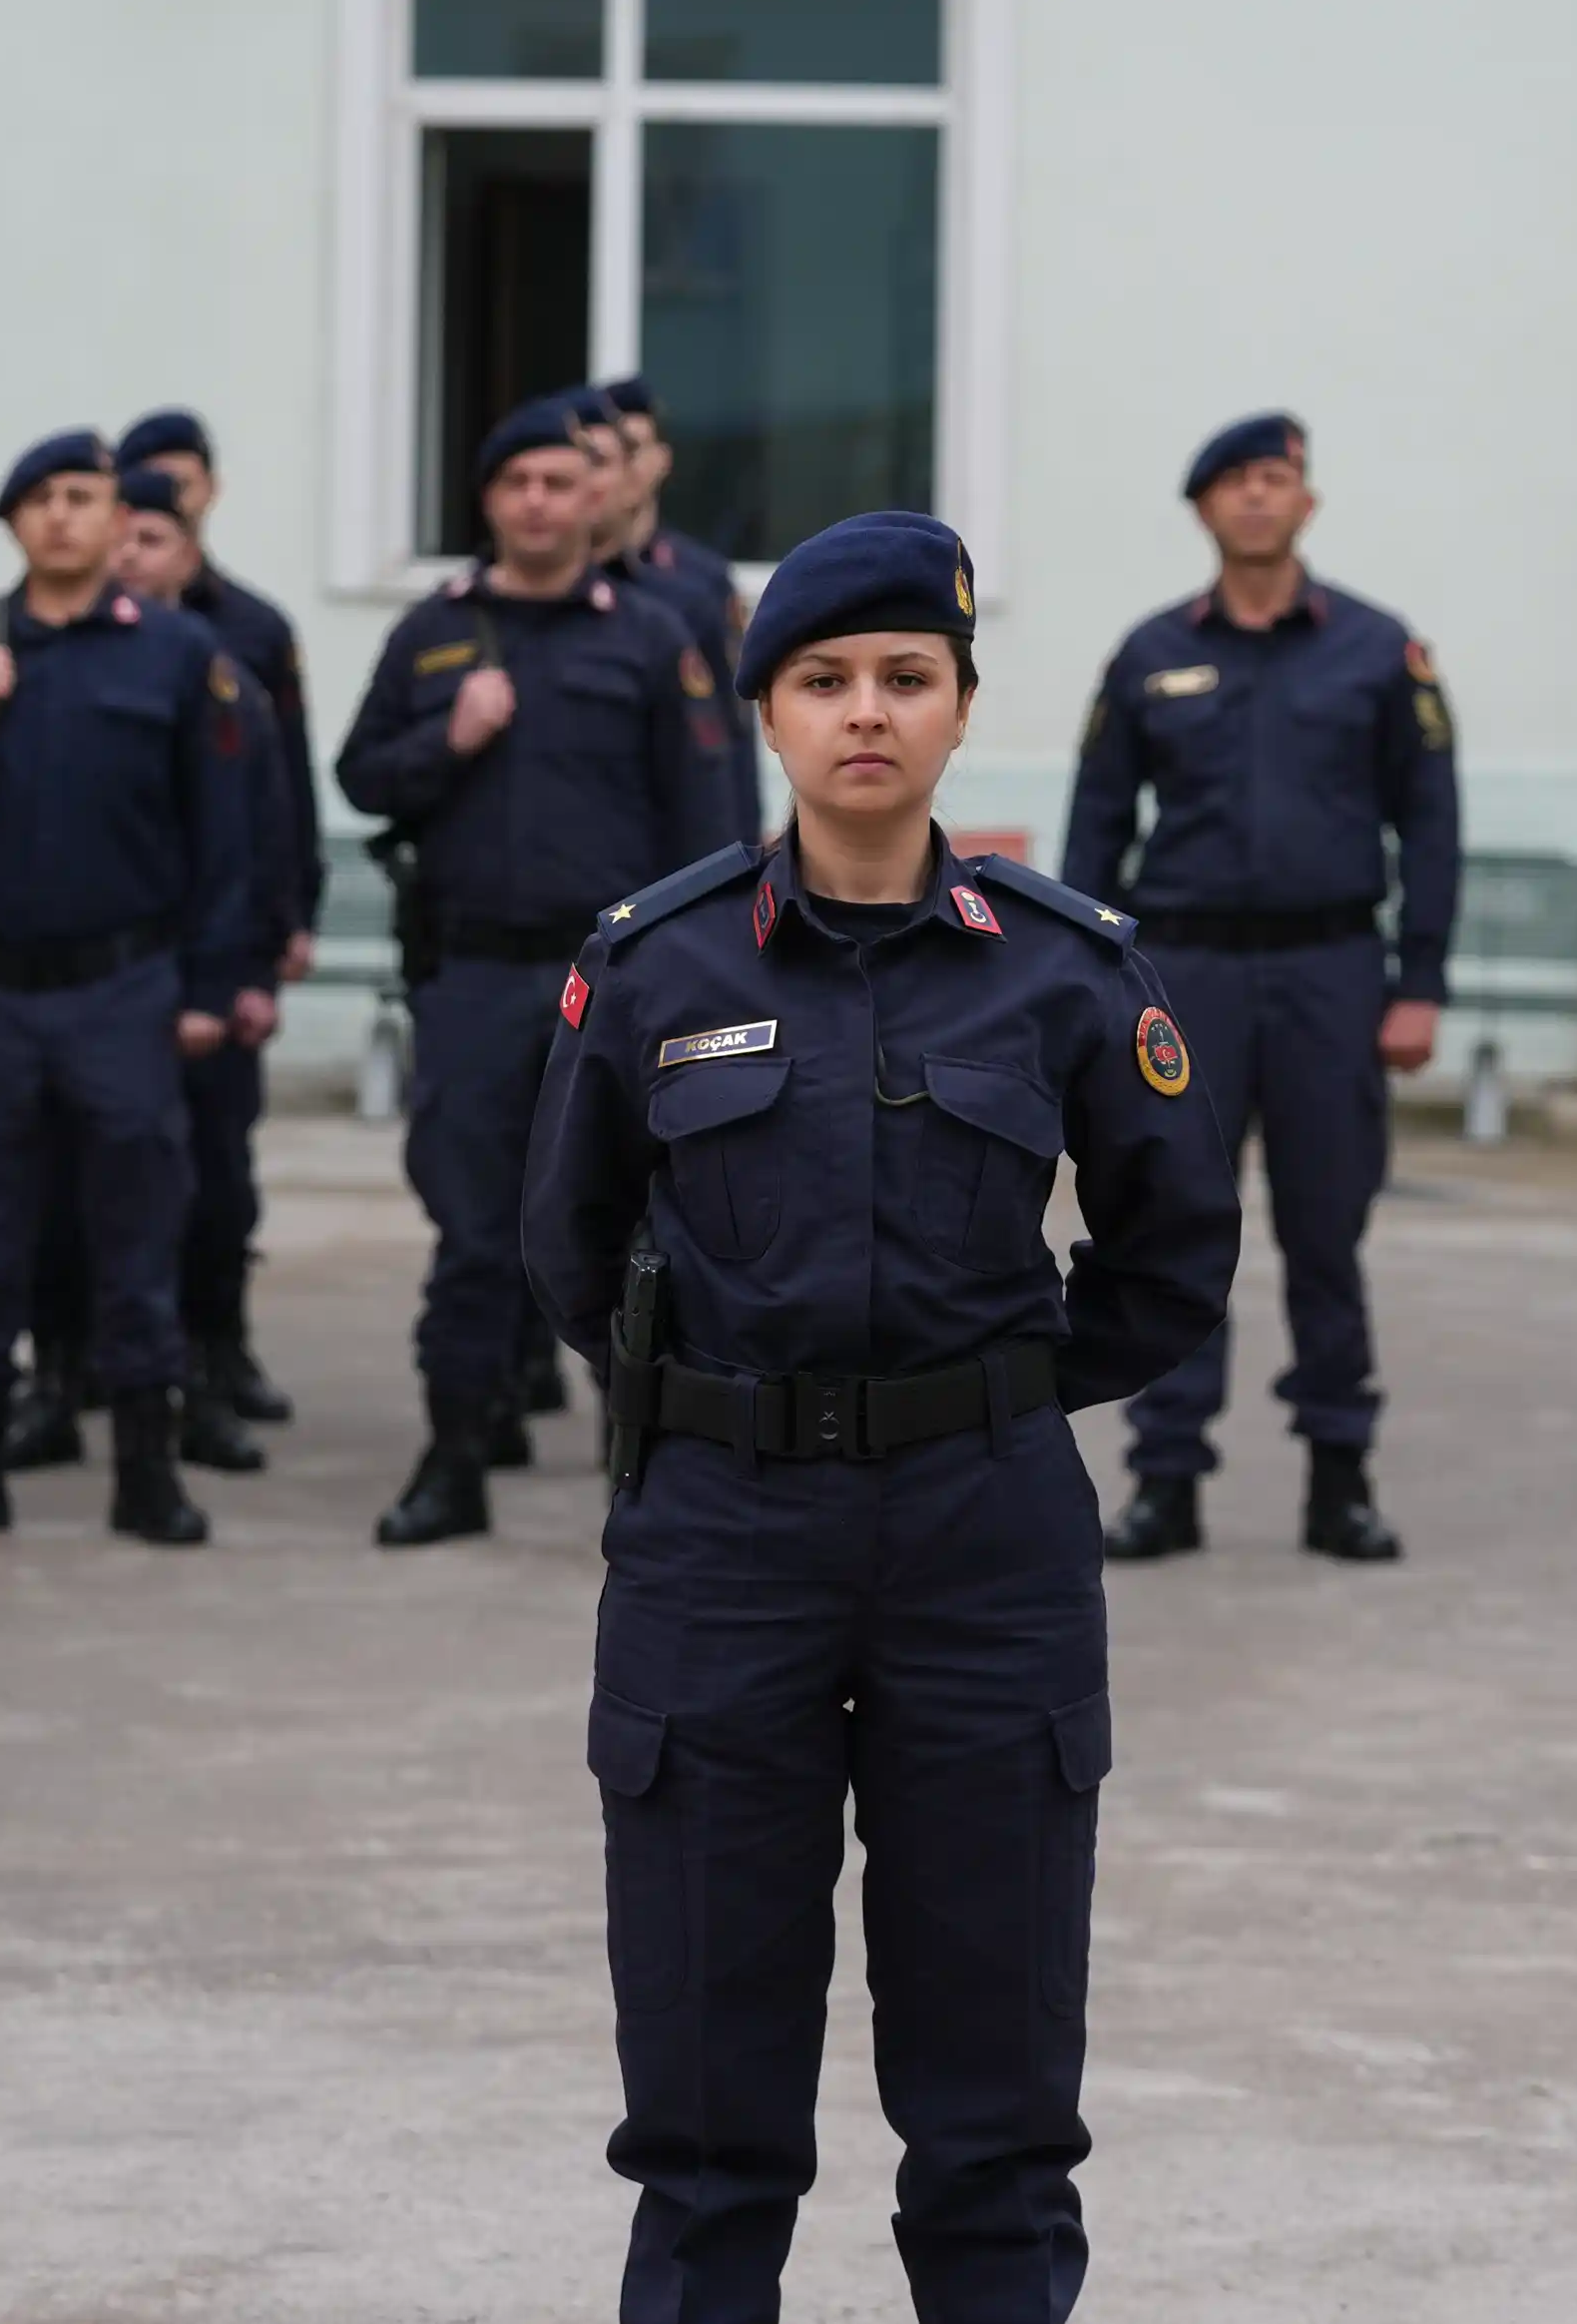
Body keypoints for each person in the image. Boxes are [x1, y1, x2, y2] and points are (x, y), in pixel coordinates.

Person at [524, 510, 1241, 2324]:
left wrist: (987, 1395)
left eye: (905, 680)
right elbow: (562, 1243)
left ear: (958, 708)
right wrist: (723, 1402)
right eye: (825, 679)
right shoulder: (659, 962)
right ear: (766, 712)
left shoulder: (1062, 964)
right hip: (720, 1540)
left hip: (980, 1542)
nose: (867, 713)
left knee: (996, 2113)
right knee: (701, 2116)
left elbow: (1169, 1251)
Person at [1059, 411, 1458, 1566]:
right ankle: (1165, 1478)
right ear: (1203, 510)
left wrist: (1418, 981)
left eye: (1274, 479)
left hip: (1333, 968)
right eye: (1234, 483)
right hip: (1183, 976)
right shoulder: (1146, 656)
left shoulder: (1381, 652)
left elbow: (1429, 824)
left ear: (1307, 503)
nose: (1254, 499)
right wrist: (1084, 978)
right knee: (1176, 1224)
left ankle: (1341, 1476)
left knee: (1326, 1229)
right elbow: (1097, 825)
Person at [336, 395, 731, 1549]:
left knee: (636, 1233)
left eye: (564, 483)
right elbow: (364, 775)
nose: (544, 502)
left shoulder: (653, 636)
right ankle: (454, 1460)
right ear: (490, 499)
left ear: (593, 497)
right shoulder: (435, 634)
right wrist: (445, 739)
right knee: (472, 1232)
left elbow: (705, 823)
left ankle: (643, 1474)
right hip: (476, 978)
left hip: (616, 986)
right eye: (521, 484)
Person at [0, 430, 273, 1548]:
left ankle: (146, 1467)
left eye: (84, 498)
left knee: (139, 1226)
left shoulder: (178, 651)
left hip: (124, 988)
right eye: (41, 499)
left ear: (117, 519)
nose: (62, 517)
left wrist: (210, 984)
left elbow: (219, 837)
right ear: (12, 522)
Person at [0, 466, 285, 1480]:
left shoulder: (220, 655)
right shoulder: (29, 650)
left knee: (199, 1198)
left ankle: (196, 1383)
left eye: (151, 538)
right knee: (63, 1204)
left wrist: (245, 968)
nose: (130, 556)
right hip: (94, 985)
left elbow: (259, 829)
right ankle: (60, 1378)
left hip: (188, 978)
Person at [108, 406, 317, 1427]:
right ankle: (83, 1365)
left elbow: (281, 804)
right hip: (118, 952)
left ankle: (216, 1352)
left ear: (208, 498)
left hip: (223, 938)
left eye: (178, 485)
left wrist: (286, 924)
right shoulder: (70, 636)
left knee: (219, 1173)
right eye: (142, 486)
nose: (160, 502)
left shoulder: (253, 630)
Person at [594, 376, 759, 839]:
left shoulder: (699, 583)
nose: (620, 465)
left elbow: (732, 735)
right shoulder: (560, 580)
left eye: (632, 447)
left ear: (661, 460)